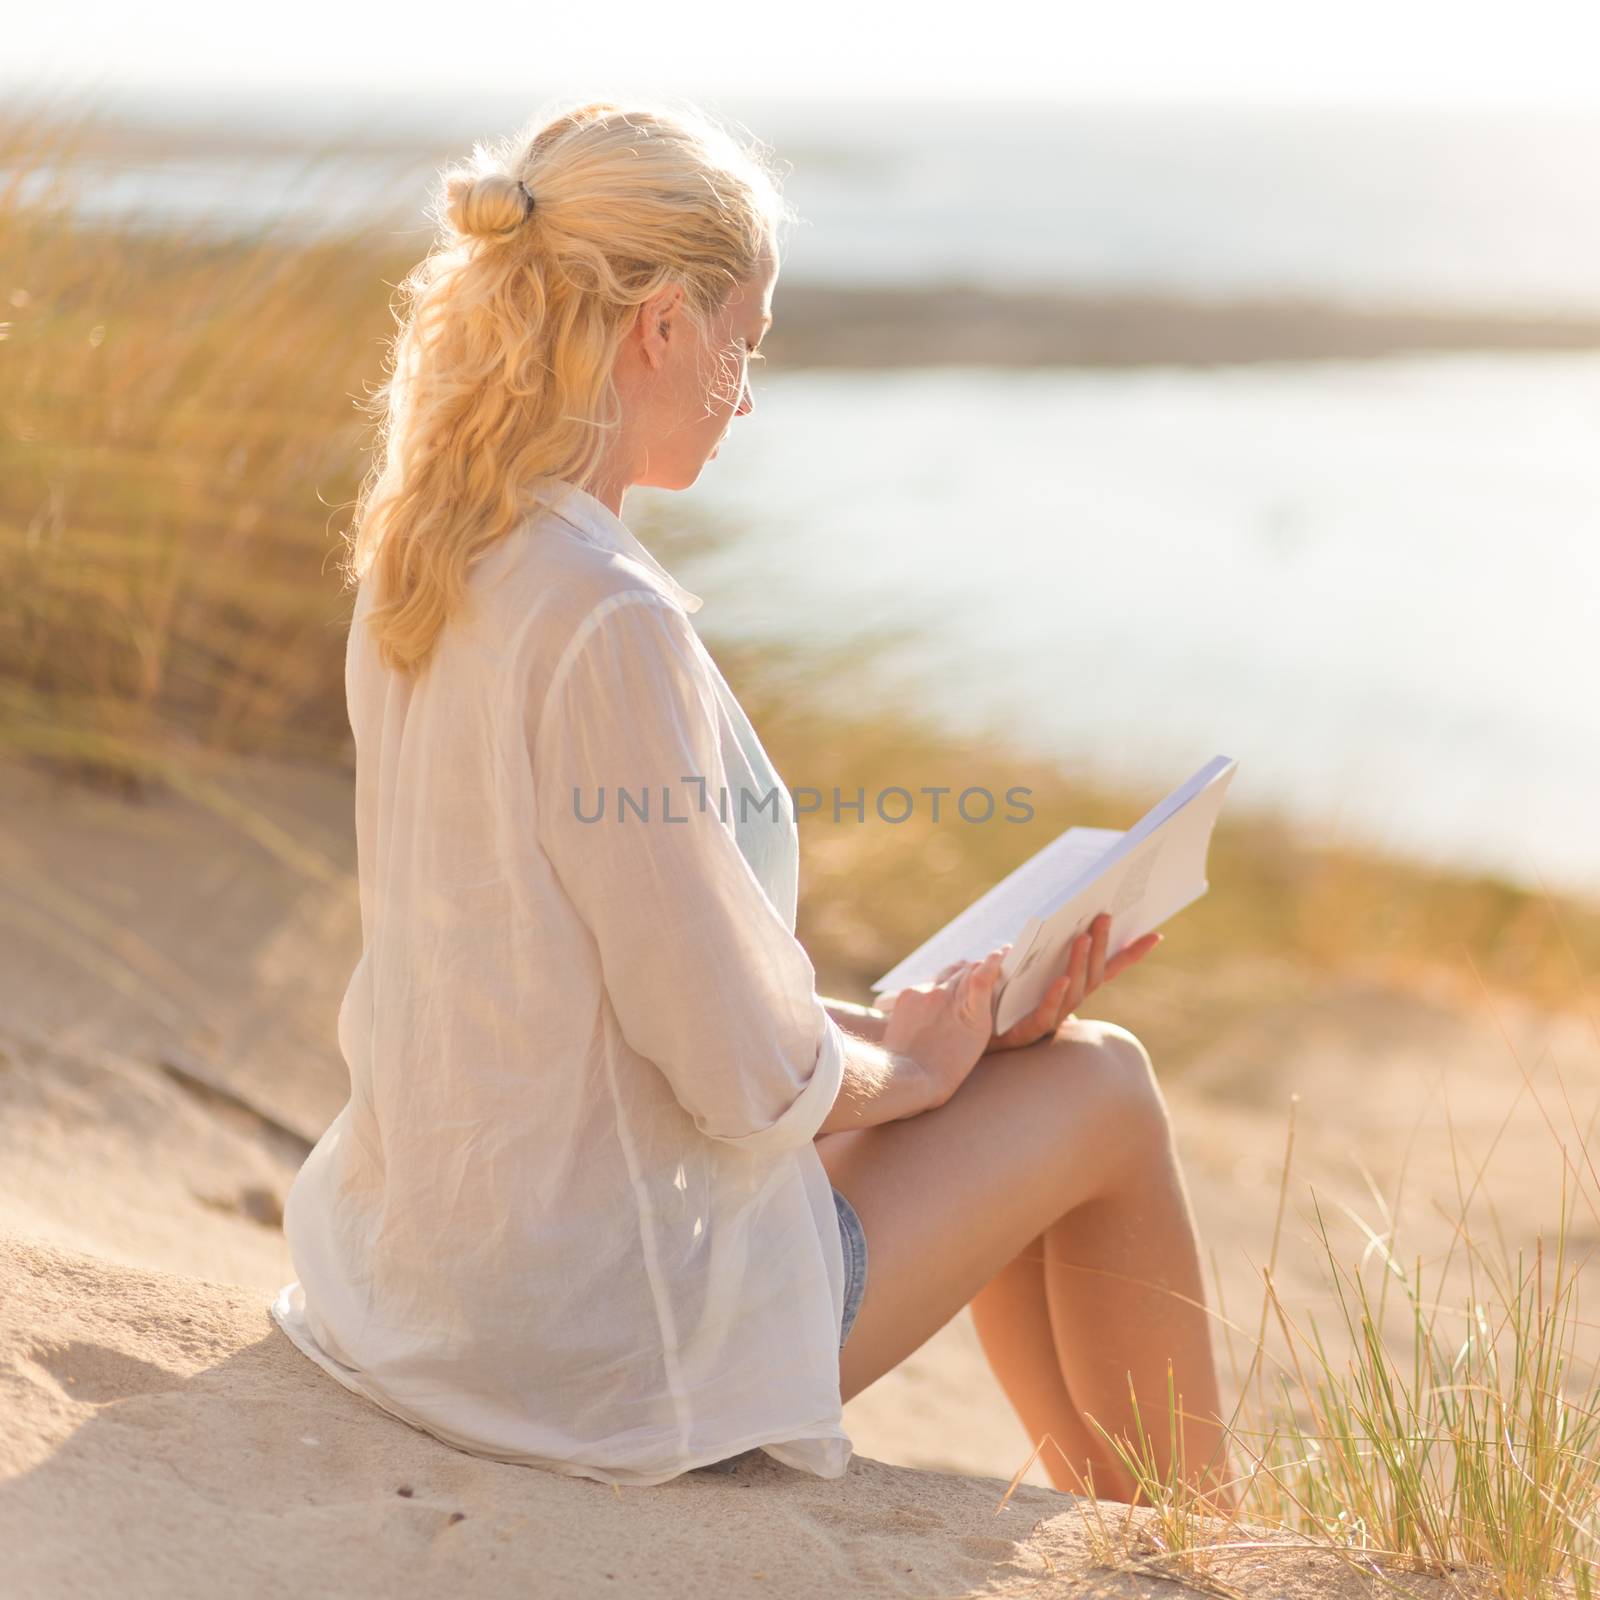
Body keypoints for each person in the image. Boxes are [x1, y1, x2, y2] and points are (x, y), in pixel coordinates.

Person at [269, 96, 1236, 1510]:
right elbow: (725, 1064)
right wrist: (912, 1075)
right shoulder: (603, 620)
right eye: (743, 343)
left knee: (1039, 1060)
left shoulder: (432, 555)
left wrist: (944, 1038)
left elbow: (613, 989)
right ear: (661, 326)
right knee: (1103, 1085)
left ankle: (1128, 1513)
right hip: (583, 1345)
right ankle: (1222, 1542)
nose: (743, 387)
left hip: (429, 1284)